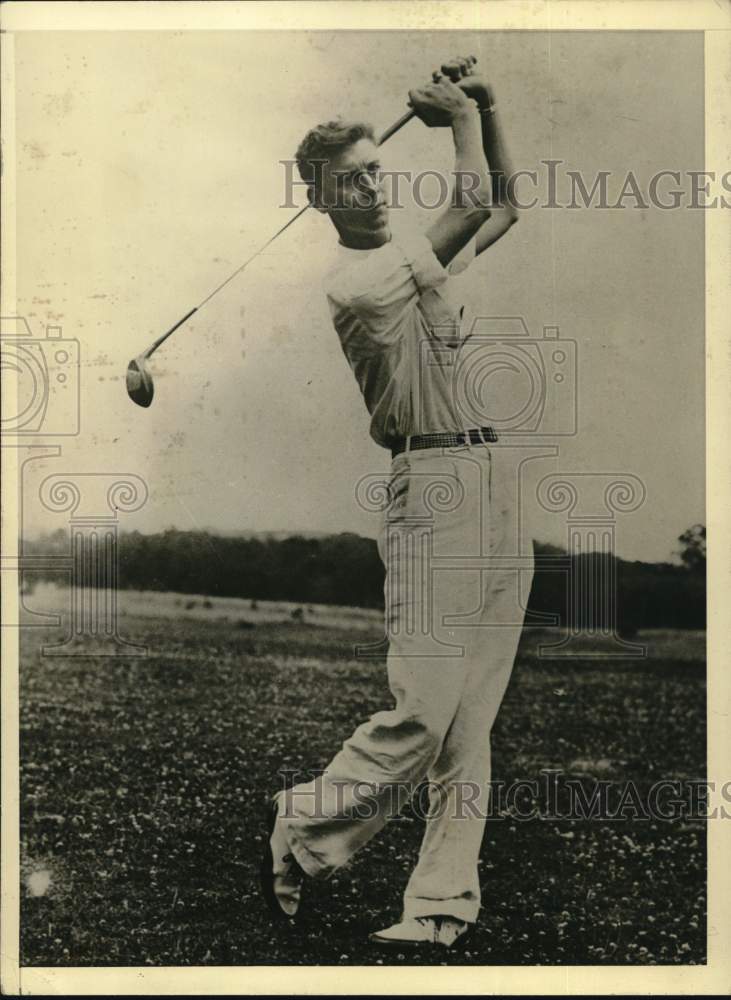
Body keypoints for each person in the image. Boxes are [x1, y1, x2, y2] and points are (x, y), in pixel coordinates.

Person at [260, 56, 534, 951]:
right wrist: (454, 115)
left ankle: (439, 907)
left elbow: (503, 206)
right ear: (323, 201)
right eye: (352, 182)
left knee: (469, 722)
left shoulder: (414, 263)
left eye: (378, 169)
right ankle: (303, 829)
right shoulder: (357, 286)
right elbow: (464, 207)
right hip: (432, 492)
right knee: (422, 708)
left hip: (493, 486)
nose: (373, 189)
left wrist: (484, 107)